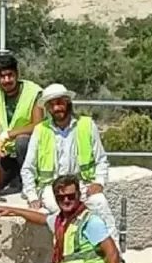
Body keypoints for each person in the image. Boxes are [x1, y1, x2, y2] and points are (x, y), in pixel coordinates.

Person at [20, 83, 118, 242]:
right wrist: (32, 196)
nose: (57, 107)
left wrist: (99, 182)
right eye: (51, 104)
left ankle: (115, 254)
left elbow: (101, 159)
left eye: (60, 102)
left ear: (67, 102)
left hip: (82, 184)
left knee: (100, 203)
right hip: (51, 187)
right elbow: (28, 168)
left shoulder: (86, 125)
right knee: (61, 210)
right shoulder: (40, 130)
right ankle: (76, 249)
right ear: (48, 109)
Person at [0, 54, 43, 193]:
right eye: (2, 77)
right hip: (7, 153)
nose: (6, 80)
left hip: (32, 150)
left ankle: (31, 185)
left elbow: (38, 125)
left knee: (21, 141)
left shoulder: (34, 92)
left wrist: (9, 134)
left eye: (10, 75)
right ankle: (14, 176)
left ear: (17, 74)